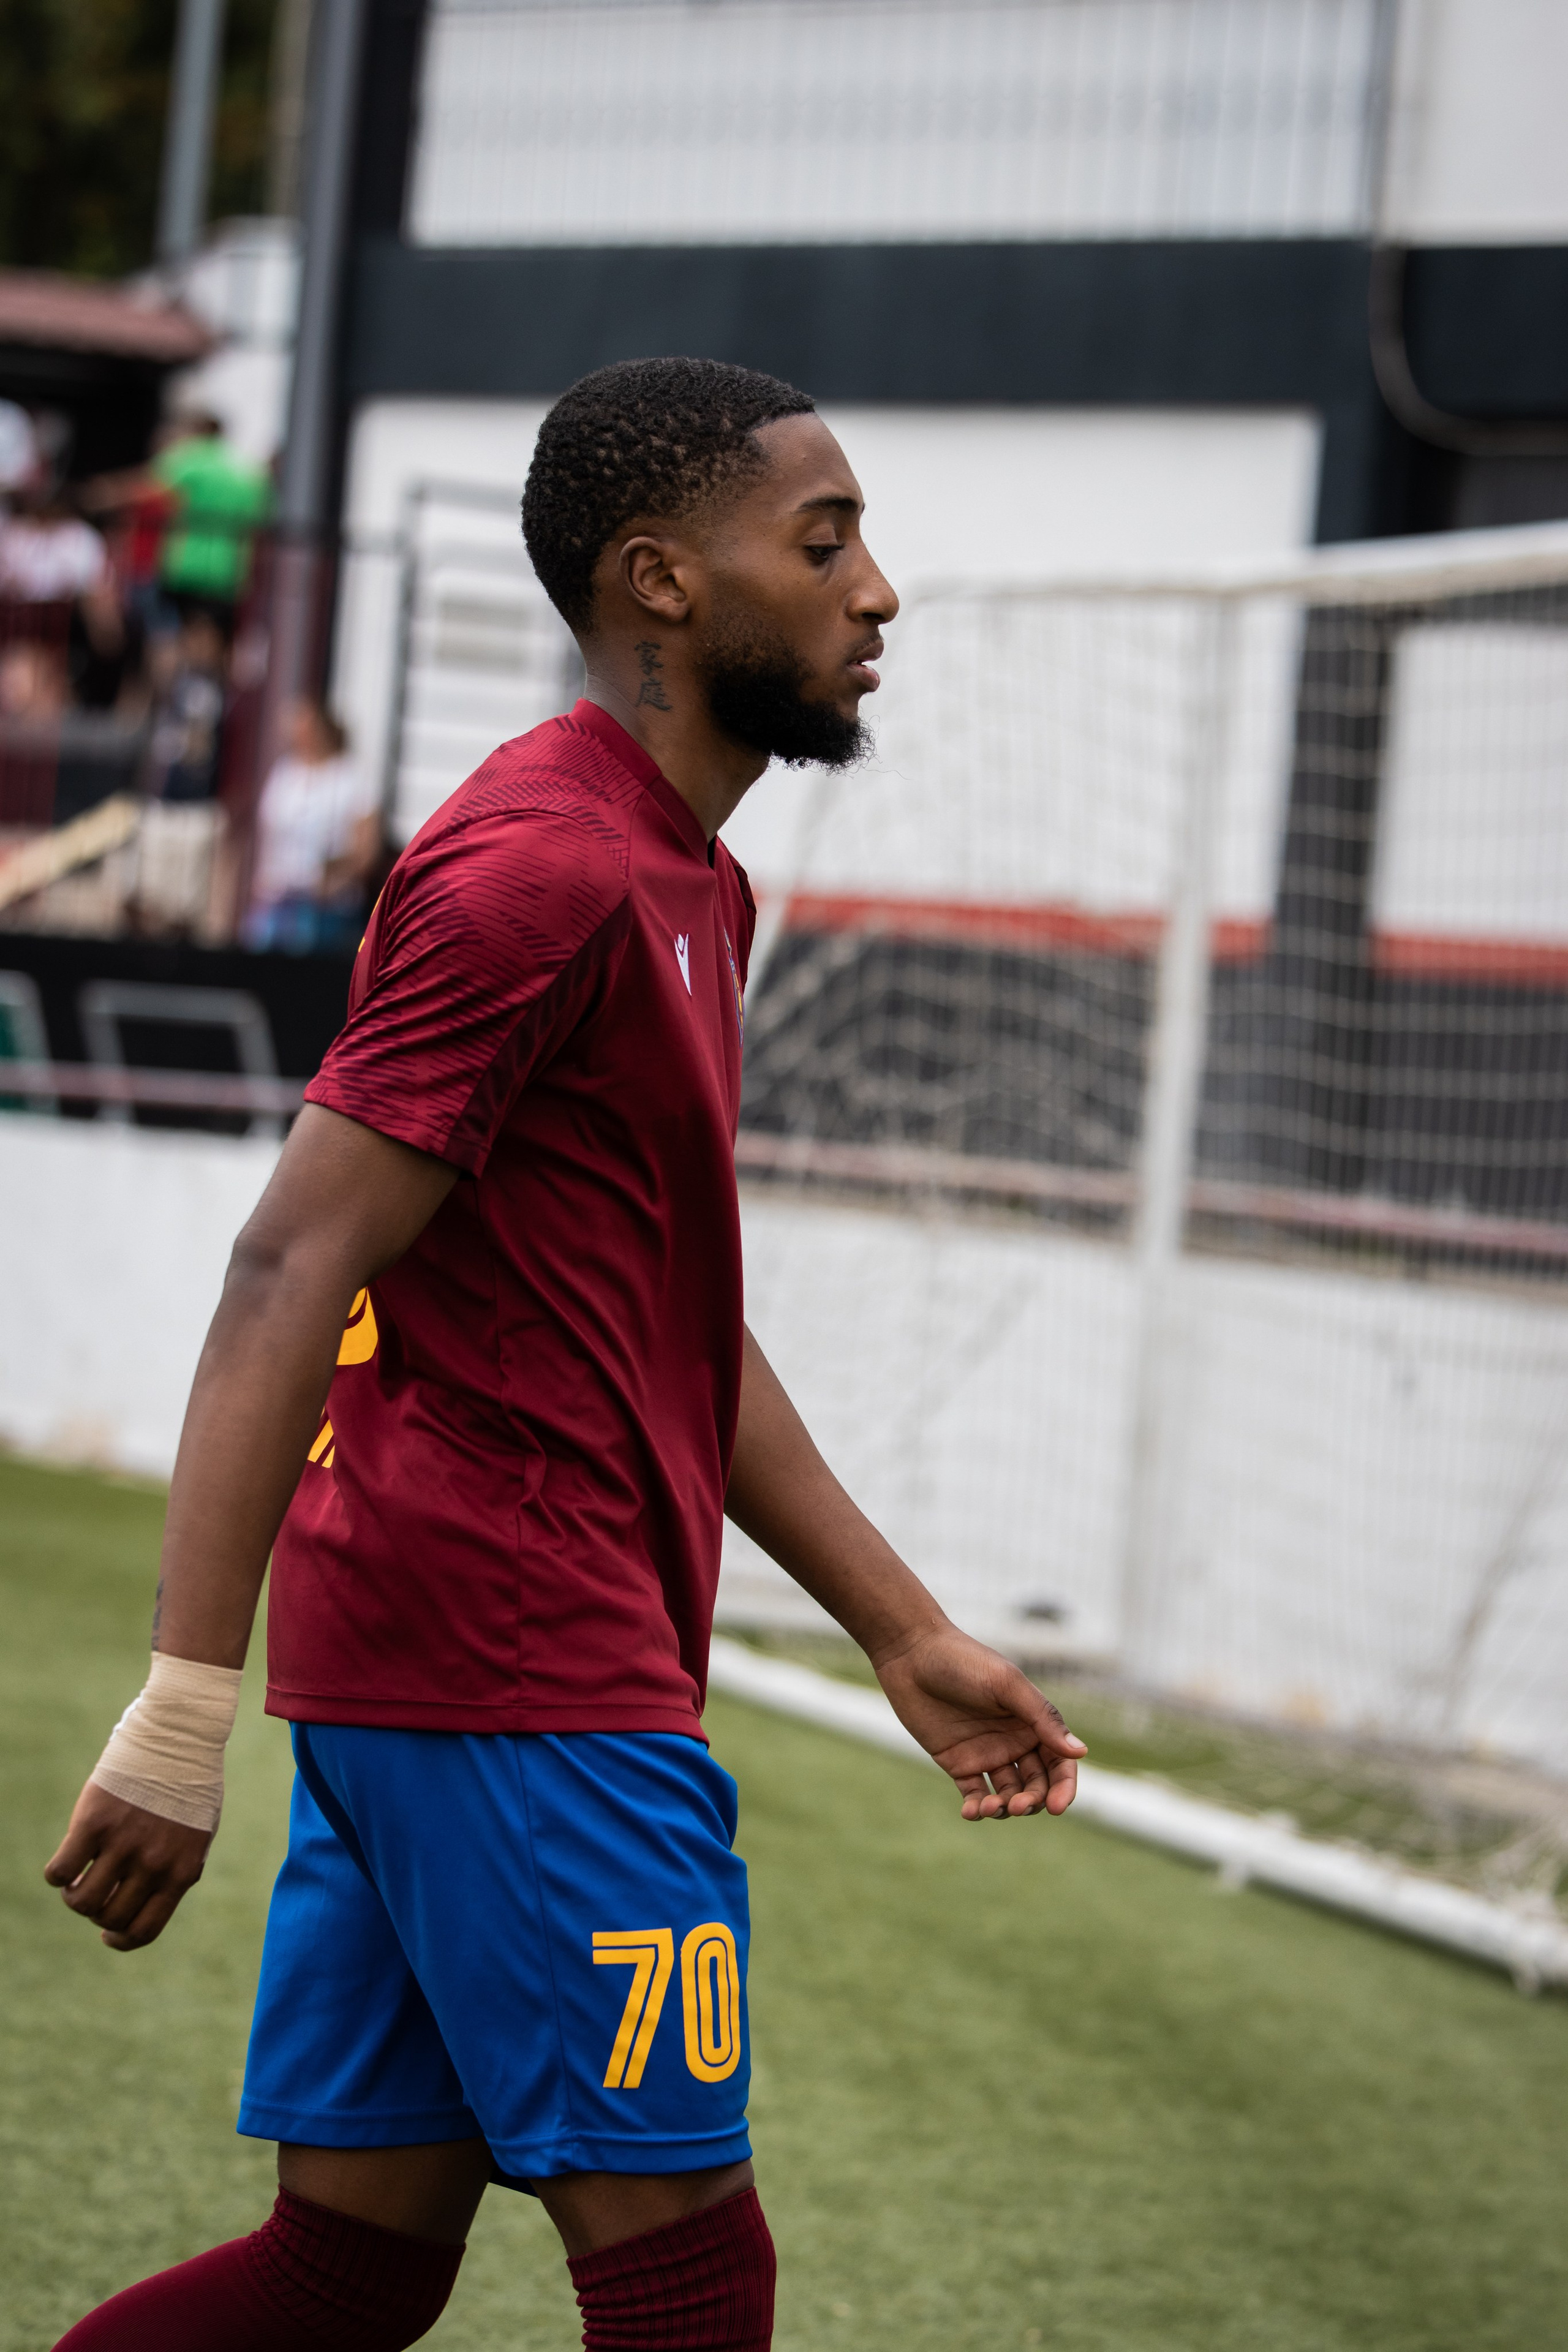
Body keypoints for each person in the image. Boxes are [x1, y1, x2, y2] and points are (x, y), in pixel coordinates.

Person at [43, 359, 1086, 2352]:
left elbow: (673, 1317)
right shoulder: (543, 863)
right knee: (695, 2287)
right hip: (516, 1678)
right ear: (658, 584)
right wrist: (183, 1707)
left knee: (344, 2275)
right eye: (825, 539)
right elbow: (289, 1264)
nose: (878, 593)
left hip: (453, 1669)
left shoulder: (694, 874)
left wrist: (901, 1631)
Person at [244, 698, 382, 954]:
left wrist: (336, 871)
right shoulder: (285, 772)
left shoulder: (350, 778)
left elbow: (367, 849)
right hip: (277, 898)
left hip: (325, 907)